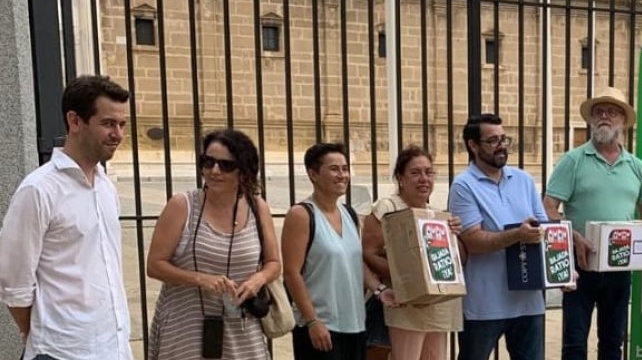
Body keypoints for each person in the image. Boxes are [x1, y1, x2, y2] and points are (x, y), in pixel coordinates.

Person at [0, 75, 132, 360]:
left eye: (122, 125)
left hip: (114, 347)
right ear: (75, 121)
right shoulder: (39, 190)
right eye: (108, 123)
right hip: (62, 352)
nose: (118, 134)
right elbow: (15, 285)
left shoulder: (105, 186)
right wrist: (52, 334)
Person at [146, 129, 281, 360]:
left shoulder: (257, 207)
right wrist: (201, 279)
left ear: (244, 171)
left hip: (241, 329)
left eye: (226, 165)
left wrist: (258, 280)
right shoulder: (182, 205)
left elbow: (274, 263)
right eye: (208, 162)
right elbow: (154, 265)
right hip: (186, 327)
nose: (214, 171)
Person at [544, 86, 642, 360]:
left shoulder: (636, 166)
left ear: (623, 121)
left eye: (612, 112)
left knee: (612, 343)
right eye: (599, 112)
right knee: (574, 342)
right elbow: (547, 207)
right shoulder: (573, 160)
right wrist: (572, 236)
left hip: (620, 268)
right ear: (591, 120)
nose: (604, 117)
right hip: (580, 266)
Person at [449, 114, 549, 360]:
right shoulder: (463, 186)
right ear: (473, 145)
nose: (502, 146)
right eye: (493, 141)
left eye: (504, 139)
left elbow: (546, 228)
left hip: (528, 301)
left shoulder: (524, 180)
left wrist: (563, 270)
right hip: (485, 305)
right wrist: (517, 234)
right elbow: (472, 240)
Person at [361, 145, 462, 360]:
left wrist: (454, 236)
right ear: (400, 177)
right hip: (403, 302)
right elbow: (368, 254)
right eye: (415, 173)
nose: (424, 179)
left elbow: (455, 262)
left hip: (436, 304)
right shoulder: (386, 208)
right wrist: (410, 278)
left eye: (428, 172)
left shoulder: (436, 215)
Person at [282, 143, 378, 359]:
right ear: (313, 174)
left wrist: (378, 289)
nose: (342, 175)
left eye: (345, 168)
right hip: (320, 327)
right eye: (334, 169)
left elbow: (354, 261)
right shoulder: (301, 215)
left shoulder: (350, 214)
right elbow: (291, 273)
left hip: (353, 324)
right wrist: (313, 321)